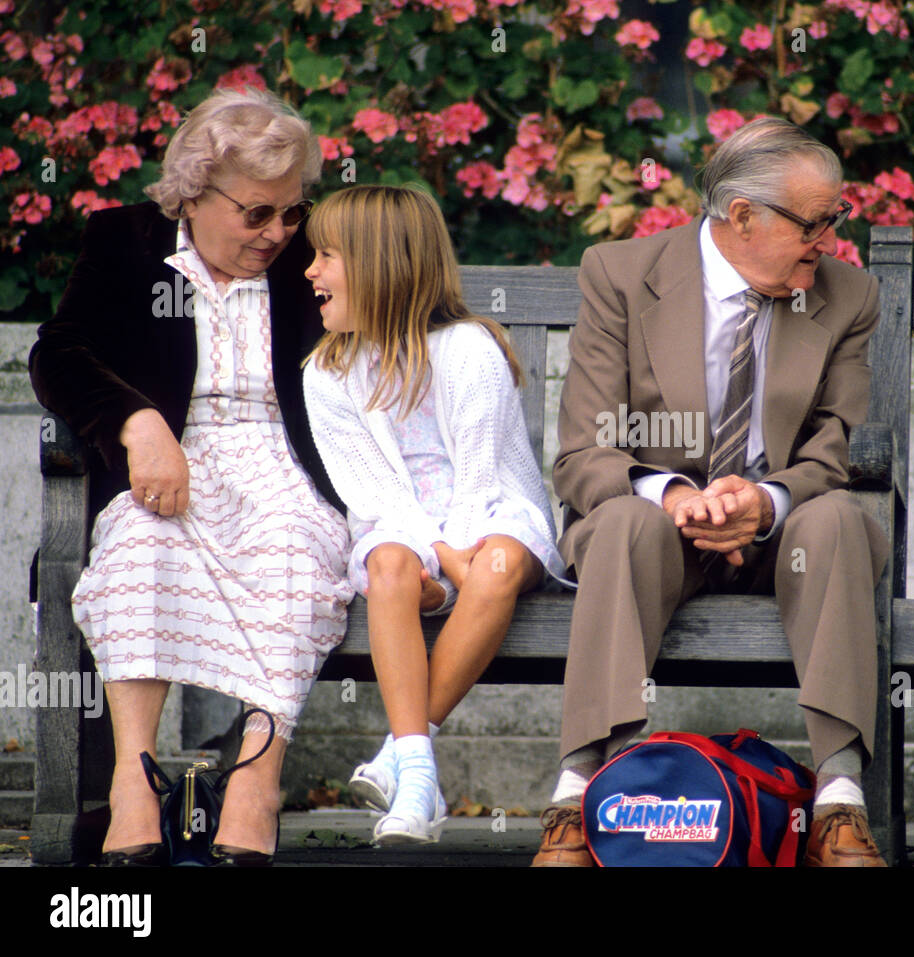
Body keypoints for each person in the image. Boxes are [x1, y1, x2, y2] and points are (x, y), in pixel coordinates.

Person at [532, 117, 891, 867]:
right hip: (652, 536)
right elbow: (584, 451)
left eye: (838, 218)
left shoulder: (846, 295)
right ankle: (582, 792)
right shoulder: (622, 275)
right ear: (742, 217)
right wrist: (671, 495)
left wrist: (766, 503)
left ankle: (839, 800)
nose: (829, 239)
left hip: (777, 540)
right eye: (816, 221)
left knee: (838, 522)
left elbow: (832, 449)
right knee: (628, 520)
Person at [28, 88, 350, 865]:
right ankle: (137, 785)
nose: (279, 233)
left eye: (292, 212)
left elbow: (406, 324)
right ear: (195, 193)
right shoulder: (125, 245)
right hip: (172, 456)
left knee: (295, 556)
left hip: (284, 460)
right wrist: (138, 424)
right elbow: (58, 352)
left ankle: (254, 783)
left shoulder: (311, 253)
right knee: (139, 547)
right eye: (256, 214)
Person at [301, 185, 566, 844]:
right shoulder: (327, 374)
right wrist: (442, 562)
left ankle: (403, 758)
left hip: (495, 513)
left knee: (498, 560)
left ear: (378, 264)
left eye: (326, 256)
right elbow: (374, 496)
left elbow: (478, 480)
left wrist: (457, 564)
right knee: (388, 564)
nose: (310, 271)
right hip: (406, 525)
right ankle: (420, 775)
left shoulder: (470, 349)